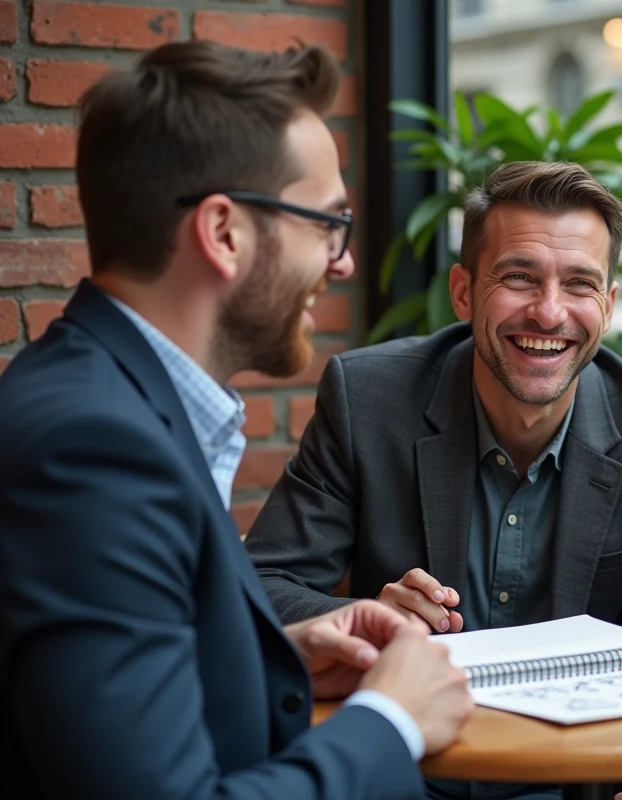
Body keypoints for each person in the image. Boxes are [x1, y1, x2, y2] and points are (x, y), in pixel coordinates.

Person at [0, 41, 473, 799]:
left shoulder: (111, 402)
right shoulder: (93, 448)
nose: (343, 262)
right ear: (224, 233)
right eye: (327, 223)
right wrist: (392, 721)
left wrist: (270, 660)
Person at [244, 160, 622, 798]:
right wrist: (365, 618)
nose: (548, 312)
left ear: (607, 307)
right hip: (405, 775)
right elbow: (260, 588)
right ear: (464, 292)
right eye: (519, 277)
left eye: (579, 284)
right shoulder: (367, 400)